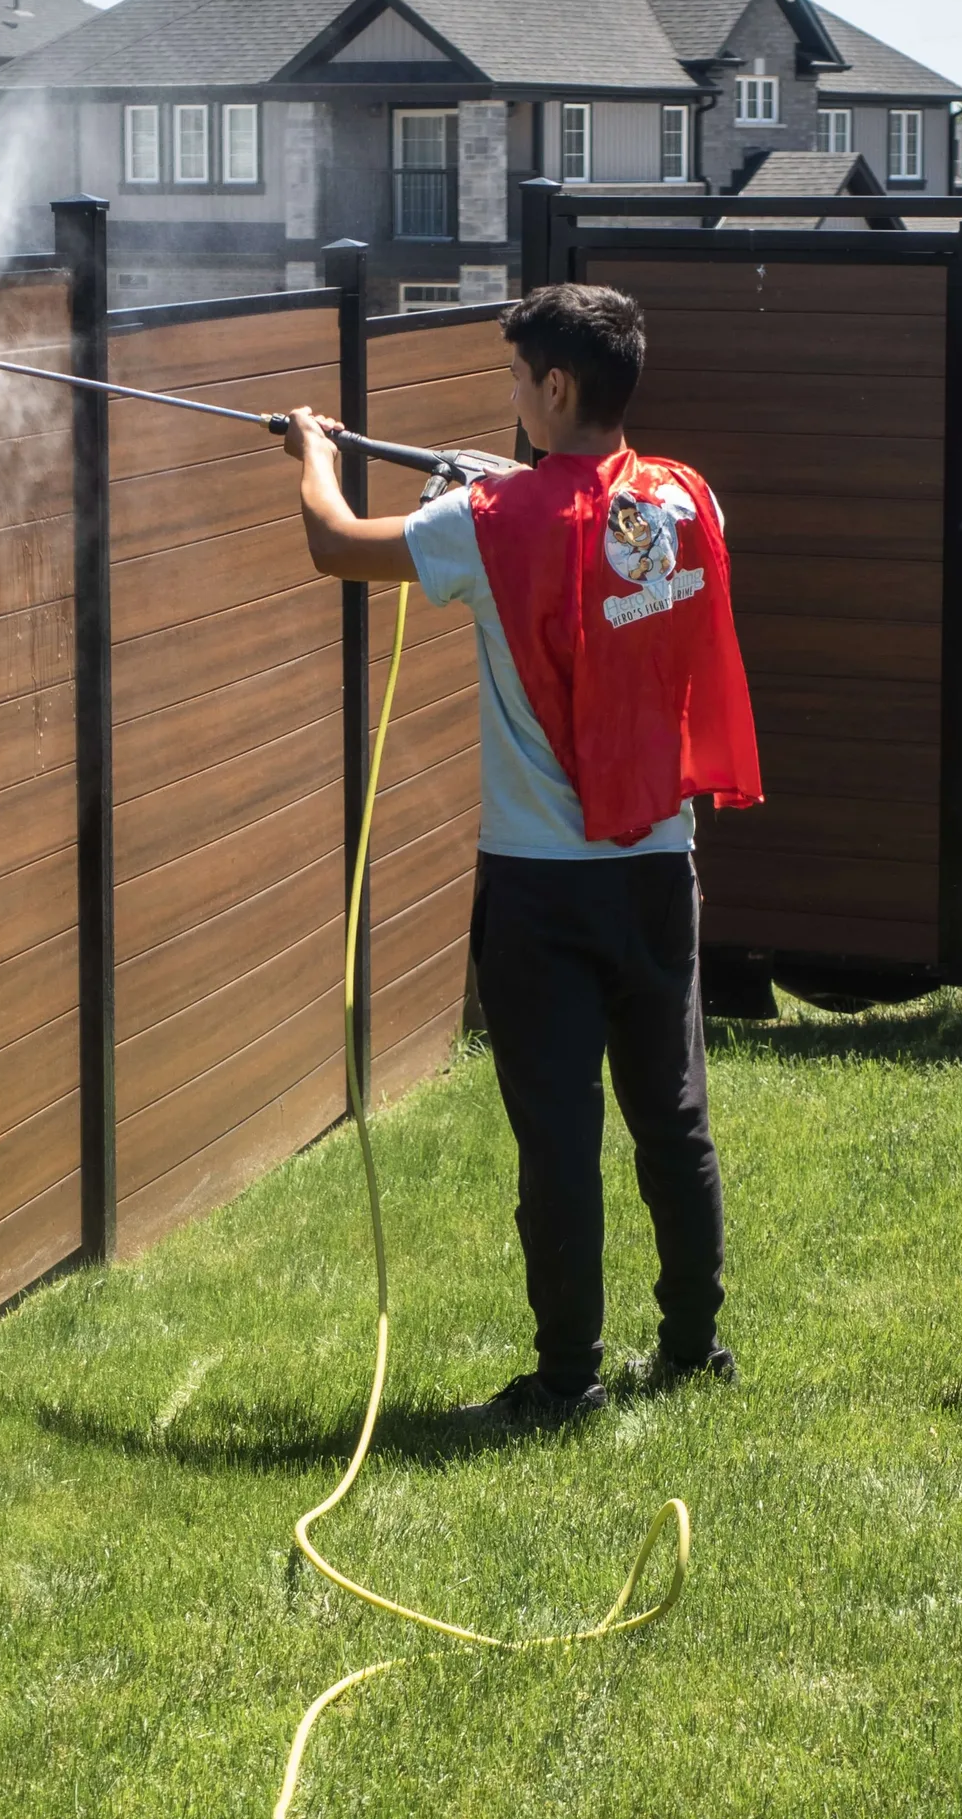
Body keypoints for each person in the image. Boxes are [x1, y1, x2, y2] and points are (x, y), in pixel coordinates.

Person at [285, 283, 761, 1427]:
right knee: (673, 1119)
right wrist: (504, 476)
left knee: (559, 1141)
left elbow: (335, 545)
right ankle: (693, 1348)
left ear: (554, 385)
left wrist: (312, 450)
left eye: (515, 381)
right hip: (659, 871)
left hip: (542, 891)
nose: (509, 398)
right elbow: (585, 514)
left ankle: (565, 1381)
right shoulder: (690, 503)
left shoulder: (485, 529)